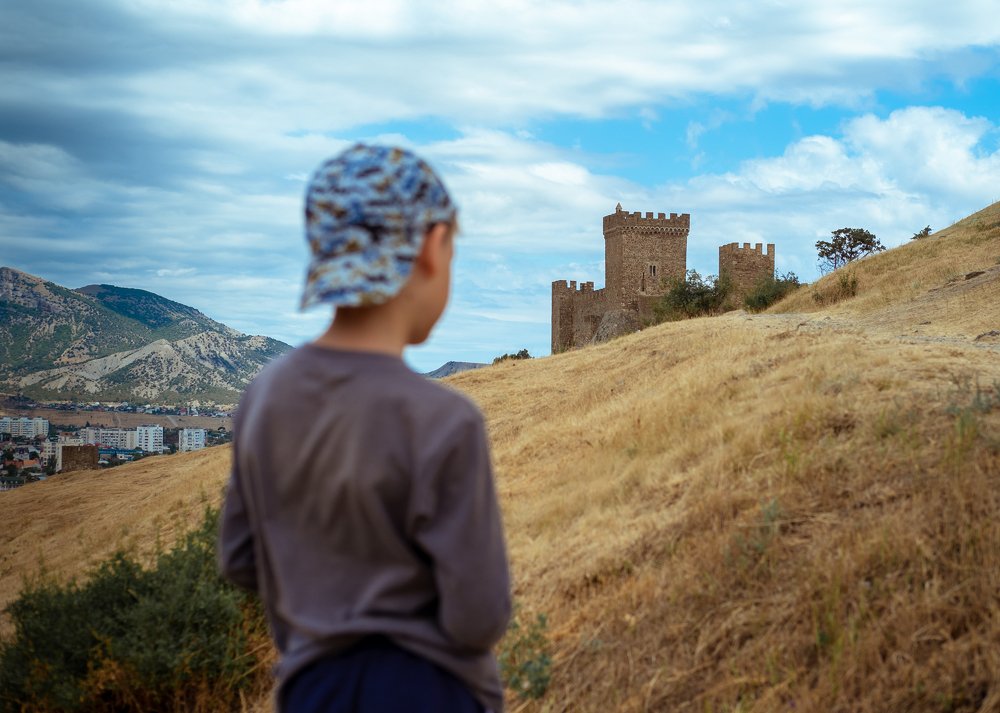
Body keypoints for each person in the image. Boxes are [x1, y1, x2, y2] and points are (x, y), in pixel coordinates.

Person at [219, 144, 512, 713]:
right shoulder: (445, 420)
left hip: (310, 690)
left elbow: (239, 558)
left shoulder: (264, 397)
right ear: (432, 247)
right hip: (432, 693)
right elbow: (478, 615)